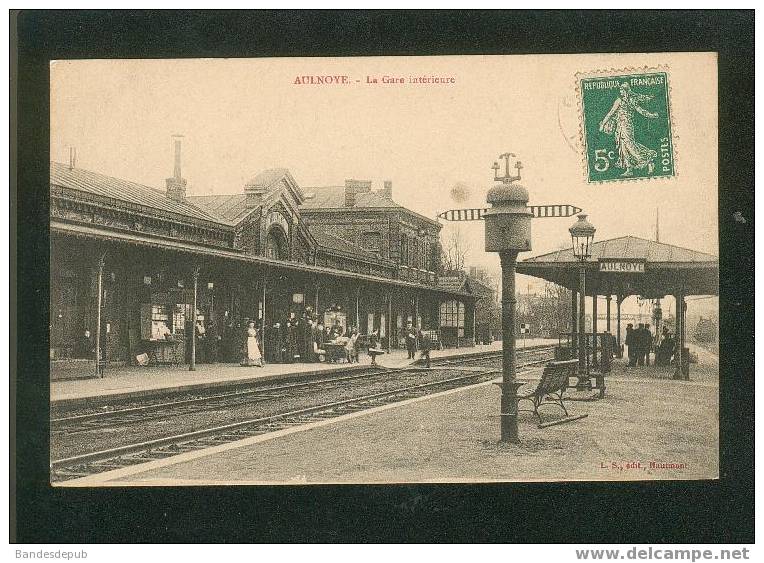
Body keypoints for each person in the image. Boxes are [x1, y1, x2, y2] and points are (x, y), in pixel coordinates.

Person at [598, 82, 659, 177]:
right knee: (623, 148)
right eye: (620, 90)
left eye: (622, 90)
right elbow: (611, 113)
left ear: (626, 90)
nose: (621, 92)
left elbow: (641, 111)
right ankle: (629, 169)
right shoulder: (621, 100)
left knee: (630, 146)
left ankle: (648, 159)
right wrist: (603, 124)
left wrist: (651, 115)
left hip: (627, 127)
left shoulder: (629, 100)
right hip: (620, 127)